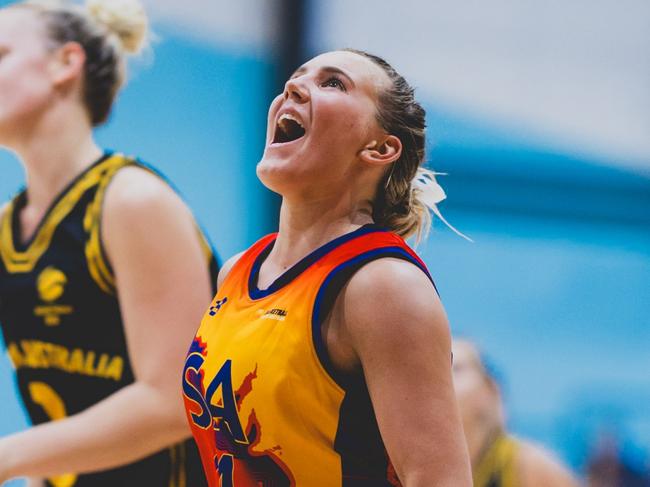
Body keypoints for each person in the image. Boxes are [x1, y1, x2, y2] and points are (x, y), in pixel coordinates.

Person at [182, 49, 472, 486]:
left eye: (333, 83)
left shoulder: (382, 286)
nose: (292, 88)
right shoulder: (239, 271)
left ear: (380, 147)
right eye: (297, 77)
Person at [0, 0, 217, 485]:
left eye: (1, 53)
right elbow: (56, 407)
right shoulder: (8, 227)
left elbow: (172, 401)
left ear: (65, 64)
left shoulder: (132, 201)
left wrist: (8, 457)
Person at [452, 339, 579, 487]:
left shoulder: (531, 467)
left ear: (489, 390)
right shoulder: (426, 465)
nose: (444, 377)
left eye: (456, 368)